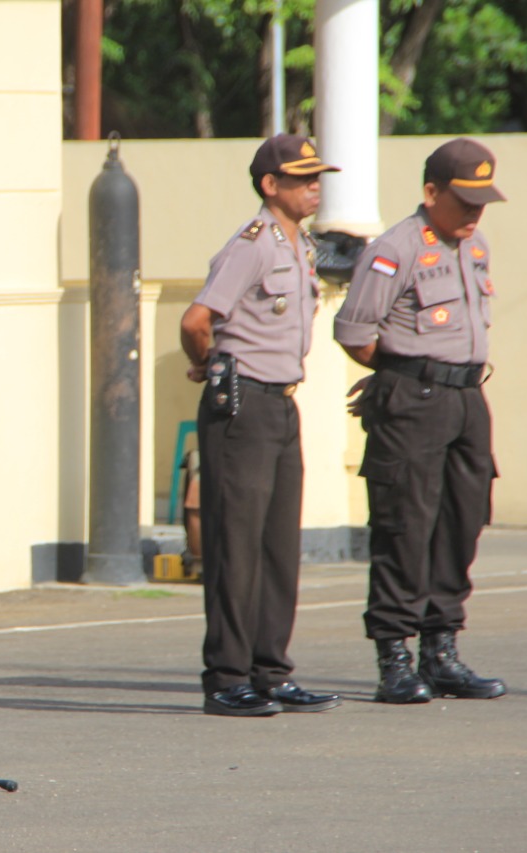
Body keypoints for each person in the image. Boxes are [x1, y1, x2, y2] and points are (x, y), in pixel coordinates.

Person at [334, 138, 507, 704]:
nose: (474, 212)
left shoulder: (474, 245)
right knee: (404, 527)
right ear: (431, 193)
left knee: (462, 522)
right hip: (414, 399)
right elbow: (355, 331)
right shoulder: (395, 249)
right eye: (464, 200)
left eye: (481, 201)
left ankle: (441, 651)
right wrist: (402, 373)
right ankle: (395, 658)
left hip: (466, 401)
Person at [179, 134, 344, 717]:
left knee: (278, 546)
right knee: (236, 545)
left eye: (317, 177)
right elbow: (197, 319)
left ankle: (270, 672)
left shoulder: (300, 246)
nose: (314, 187)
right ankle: (227, 678)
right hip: (242, 403)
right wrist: (207, 365)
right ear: (271, 185)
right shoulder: (252, 244)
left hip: (279, 401)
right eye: (302, 179)